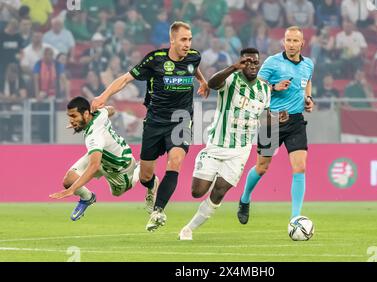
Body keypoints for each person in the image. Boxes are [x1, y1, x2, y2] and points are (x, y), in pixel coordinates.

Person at [91, 21, 209, 232]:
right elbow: (126, 79)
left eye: (190, 39)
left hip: (181, 120)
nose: (187, 44)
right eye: (183, 39)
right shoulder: (155, 60)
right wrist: (103, 96)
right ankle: (151, 185)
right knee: (145, 175)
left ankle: (158, 211)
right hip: (155, 121)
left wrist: (203, 81)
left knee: (175, 162)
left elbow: (194, 68)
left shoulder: (194, 55)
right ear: (172, 40)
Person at [178, 48, 271, 240]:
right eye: (247, 62)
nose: (252, 65)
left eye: (255, 62)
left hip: (240, 151)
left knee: (219, 192)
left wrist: (276, 120)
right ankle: (204, 163)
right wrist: (233, 68)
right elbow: (212, 83)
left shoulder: (264, 89)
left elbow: (266, 115)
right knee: (197, 192)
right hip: (216, 145)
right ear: (241, 63)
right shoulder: (231, 79)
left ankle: (188, 229)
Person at [237, 26, 315, 225]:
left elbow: (307, 82)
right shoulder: (272, 62)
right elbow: (254, 87)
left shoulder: (308, 64)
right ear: (284, 42)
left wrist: (308, 98)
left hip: (296, 120)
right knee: (262, 168)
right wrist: (274, 87)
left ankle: (295, 217)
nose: (291, 44)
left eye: (295, 41)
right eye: (288, 40)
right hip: (271, 119)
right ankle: (245, 198)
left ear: (302, 44)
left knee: (300, 167)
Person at [49, 96, 141, 221]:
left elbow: (94, 166)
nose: (71, 120)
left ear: (86, 114)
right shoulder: (98, 113)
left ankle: (138, 170)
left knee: (116, 193)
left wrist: (72, 190)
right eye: (69, 116)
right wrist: (79, 122)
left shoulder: (94, 135)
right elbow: (112, 110)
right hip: (102, 154)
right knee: (68, 180)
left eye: (74, 116)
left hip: (120, 165)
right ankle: (87, 198)